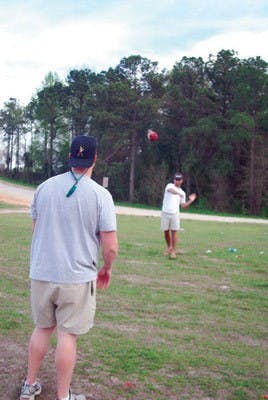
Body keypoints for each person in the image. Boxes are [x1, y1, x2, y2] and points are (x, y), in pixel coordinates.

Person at [20, 135, 118, 400]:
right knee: (68, 335)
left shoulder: (44, 188)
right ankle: (63, 396)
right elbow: (110, 247)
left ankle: (29, 386)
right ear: (95, 158)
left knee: (42, 329)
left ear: (70, 157)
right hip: (76, 277)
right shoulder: (101, 195)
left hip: (42, 273)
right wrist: (106, 269)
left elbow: (35, 230)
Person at [161, 173, 196, 259]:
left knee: (174, 232)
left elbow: (183, 205)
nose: (177, 181)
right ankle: (169, 248)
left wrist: (190, 201)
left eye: (179, 179)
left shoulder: (183, 193)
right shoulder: (169, 186)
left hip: (175, 214)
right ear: (174, 180)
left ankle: (173, 251)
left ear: (182, 181)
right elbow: (170, 191)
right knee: (165, 231)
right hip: (165, 212)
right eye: (176, 179)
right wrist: (177, 193)